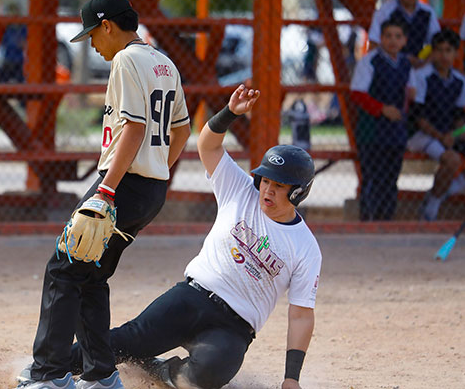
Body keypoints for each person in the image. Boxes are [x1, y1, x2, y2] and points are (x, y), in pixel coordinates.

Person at [67, 85, 322, 389]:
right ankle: (50, 366)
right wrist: (230, 113)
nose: (267, 190)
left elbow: (301, 315)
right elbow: (209, 146)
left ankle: (161, 372)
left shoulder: (306, 248)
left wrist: (291, 378)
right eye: (265, 180)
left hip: (233, 330)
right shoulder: (241, 191)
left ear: (298, 192)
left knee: (204, 378)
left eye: (279, 186)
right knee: (128, 339)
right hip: (192, 296)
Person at [17, 0, 191, 389]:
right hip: (150, 190)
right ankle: (101, 375)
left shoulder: (127, 60)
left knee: (63, 270)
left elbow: (133, 128)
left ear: (108, 26)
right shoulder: (163, 61)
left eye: (93, 35)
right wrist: (158, 169)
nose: (92, 44)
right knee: (90, 276)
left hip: (121, 184)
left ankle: (50, 375)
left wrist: (106, 191)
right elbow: (180, 129)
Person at [350, 19, 416, 221]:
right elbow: (357, 93)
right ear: (380, 38)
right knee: (372, 176)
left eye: (398, 36)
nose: (393, 41)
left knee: (391, 177)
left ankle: (386, 219)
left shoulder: (406, 64)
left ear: (404, 40)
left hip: (396, 131)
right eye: (388, 36)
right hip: (372, 130)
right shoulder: (370, 61)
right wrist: (382, 109)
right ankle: (368, 219)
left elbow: (411, 93)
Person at [407, 29, 465, 220]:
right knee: (452, 160)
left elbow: (459, 115)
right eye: (439, 50)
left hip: (447, 135)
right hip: (421, 135)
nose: (444, 55)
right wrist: (442, 137)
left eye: (449, 50)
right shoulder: (422, 76)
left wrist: (455, 134)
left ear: (456, 53)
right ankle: (431, 208)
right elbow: (418, 117)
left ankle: (453, 186)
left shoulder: (459, 80)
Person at [367, 0, 440, 67]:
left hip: (418, 66)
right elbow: (374, 44)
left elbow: (438, 43)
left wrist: (424, 63)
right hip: (388, 65)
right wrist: (402, 59)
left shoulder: (428, 12)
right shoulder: (385, 11)